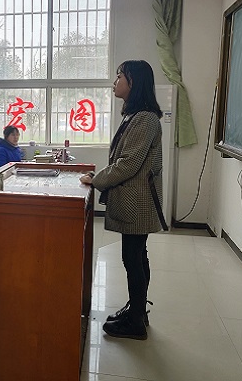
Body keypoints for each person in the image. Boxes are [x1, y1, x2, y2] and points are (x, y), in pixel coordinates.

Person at [79, 60, 163, 341]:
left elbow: (128, 163)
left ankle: (136, 320)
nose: (114, 82)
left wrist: (96, 180)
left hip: (138, 201)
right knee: (136, 256)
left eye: (119, 77)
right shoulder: (134, 115)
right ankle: (136, 310)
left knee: (133, 258)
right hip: (133, 198)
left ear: (133, 82)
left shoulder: (145, 118)